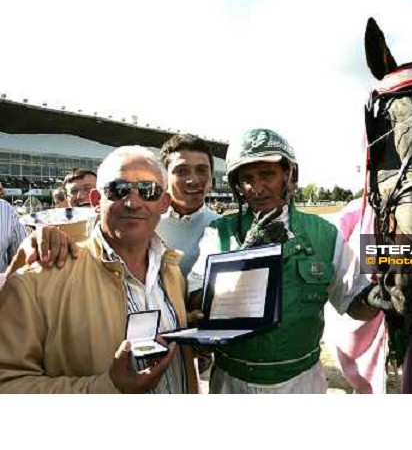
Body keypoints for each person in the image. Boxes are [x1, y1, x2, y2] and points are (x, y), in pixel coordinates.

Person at [187, 128, 377, 394]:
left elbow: (355, 303)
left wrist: (381, 296)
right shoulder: (219, 232)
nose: (257, 187)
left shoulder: (325, 234)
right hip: (232, 381)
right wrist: (246, 256)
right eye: (247, 178)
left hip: (302, 382)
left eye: (267, 174)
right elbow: (195, 300)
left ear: (288, 175)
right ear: (237, 186)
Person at [0, 146, 196, 394]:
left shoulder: (172, 272)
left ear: (164, 203)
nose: (132, 202)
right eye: (118, 189)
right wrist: (105, 388)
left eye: (148, 191)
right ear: (95, 200)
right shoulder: (37, 280)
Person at [156, 134, 220, 278]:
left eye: (201, 171)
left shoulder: (223, 229)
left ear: (211, 177)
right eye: (182, 171)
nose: (193, 180)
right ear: (164, 177)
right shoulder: (146, 222)